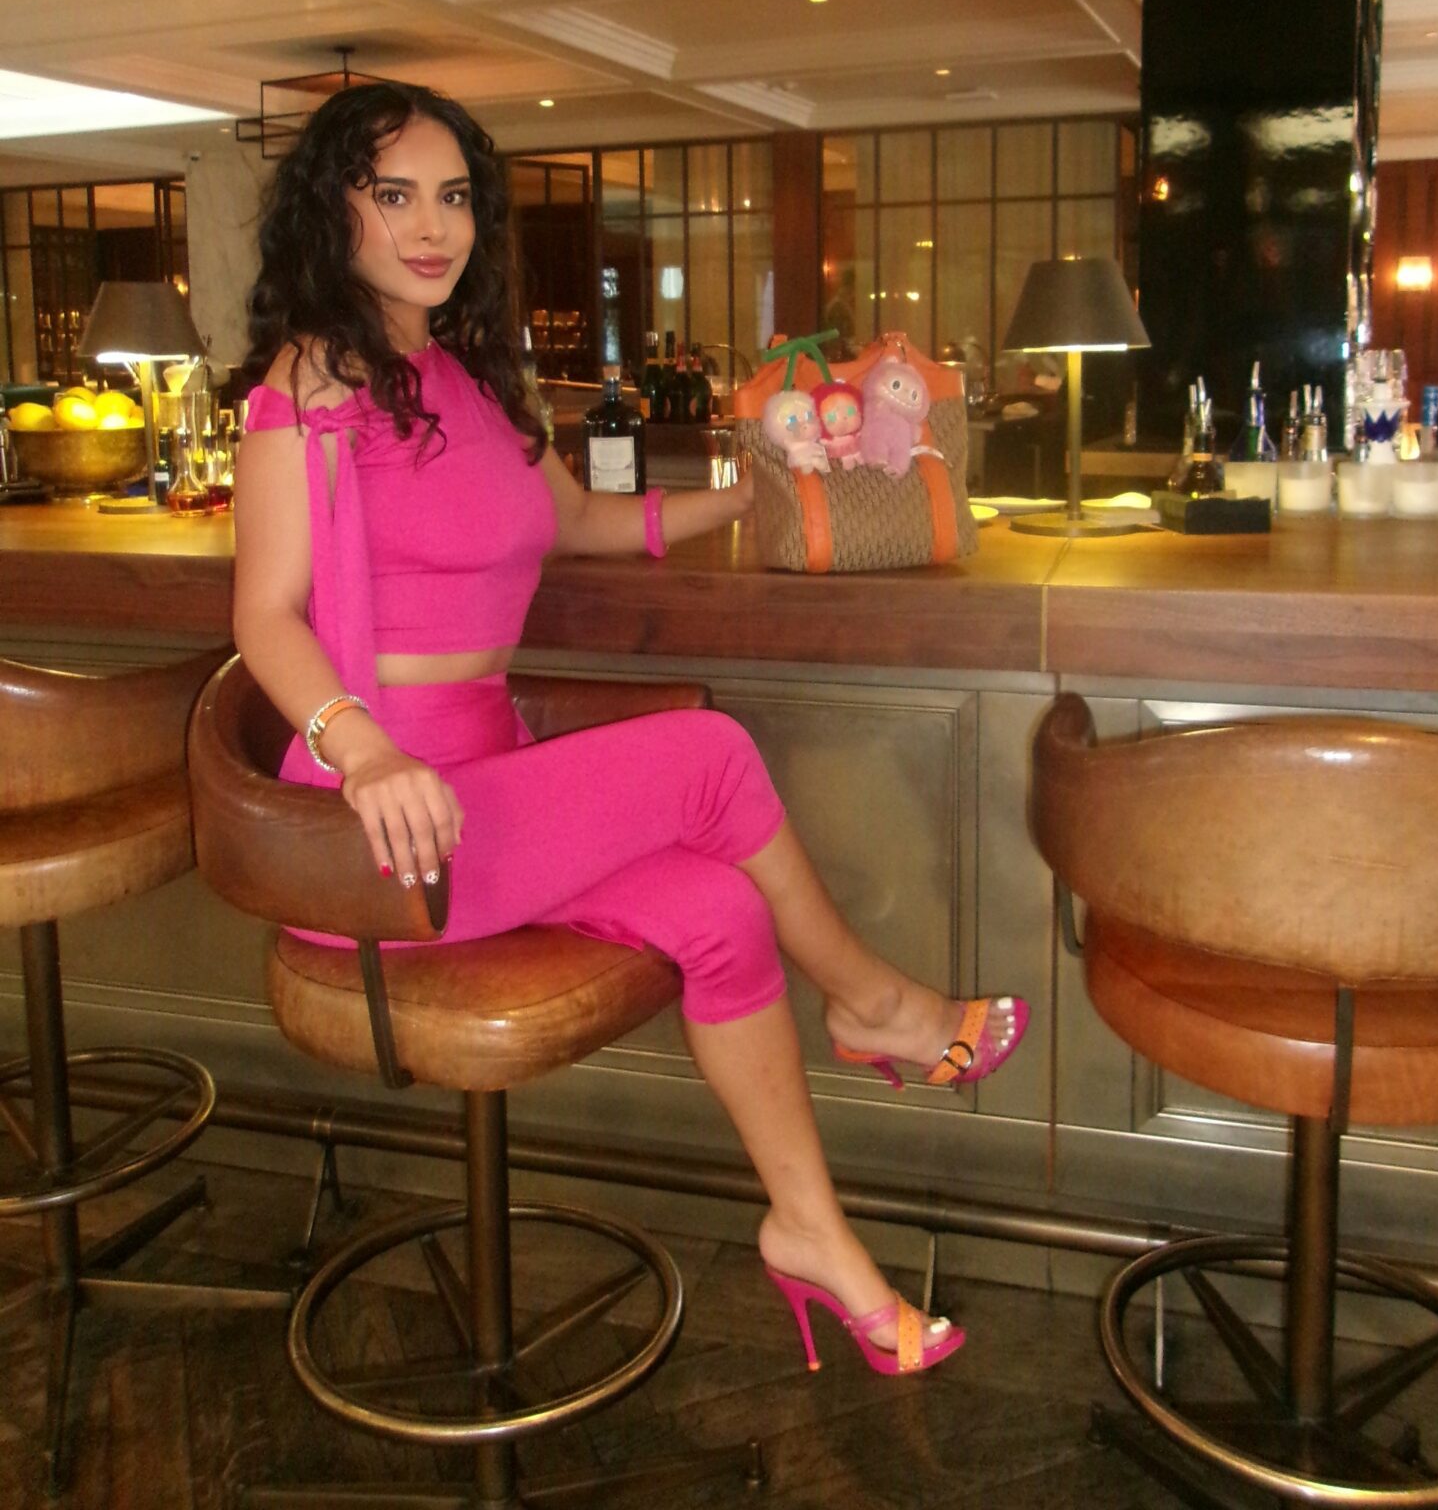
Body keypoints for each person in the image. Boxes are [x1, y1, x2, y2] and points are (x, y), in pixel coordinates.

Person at [233, 81, 1028, 1377]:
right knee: (709, 754)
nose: (433, 228)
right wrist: (358, 743)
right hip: (377, 829)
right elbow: (264, 612)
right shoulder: (314, 375)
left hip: (487, 798)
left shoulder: (474, 380)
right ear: (336, 211)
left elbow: (598, 527)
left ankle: (811, 1233)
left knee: (719, 910)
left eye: (453, 199)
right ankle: (879, 1004)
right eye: (394, 196)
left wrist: (770, 490)